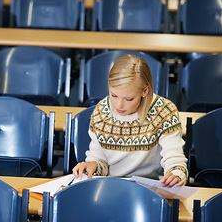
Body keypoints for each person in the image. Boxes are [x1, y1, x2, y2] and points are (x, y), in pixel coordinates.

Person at [72, 54, 188, 188]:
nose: (118, 105)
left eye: (128, 99)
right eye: (113, 95)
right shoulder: (102, 110)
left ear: (145, 91)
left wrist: (176, 173)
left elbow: (174, 158)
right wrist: (92, 164)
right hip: (109, 186)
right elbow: (99, 159)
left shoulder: (164, 111)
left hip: (147, 188)